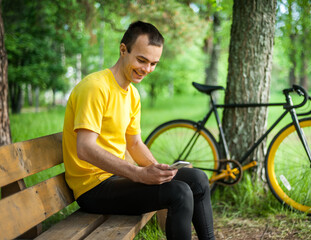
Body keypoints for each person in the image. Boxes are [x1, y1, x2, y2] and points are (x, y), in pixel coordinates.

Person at [62, 21, 215, 240]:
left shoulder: (132, 95)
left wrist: (158, 170)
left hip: (117, 179)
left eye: (153, 63)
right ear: (123, 50)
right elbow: (85, 148)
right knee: (179, 193)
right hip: (92, 188)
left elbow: (134, 143)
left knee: (198, 179)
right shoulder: (95, 87)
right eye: (142, 60)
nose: (147, 69)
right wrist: (138, 174)